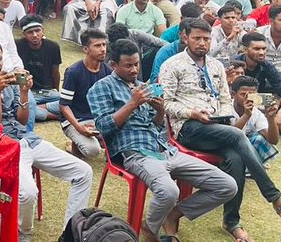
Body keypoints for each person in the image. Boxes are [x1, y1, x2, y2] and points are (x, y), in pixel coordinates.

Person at [158, 18, 281, 239]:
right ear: (184, 37)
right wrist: (193, 113)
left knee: (235, 159)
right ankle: (275, 198)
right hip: (188, 128)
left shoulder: (216, 65)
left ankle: (231, 221)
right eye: (196, 38)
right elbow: (166, 102)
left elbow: (225, 99)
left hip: (217, 126)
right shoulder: (172, 64)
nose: (202, 43)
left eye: (206, 39)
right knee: (237, 136)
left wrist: (222, 115)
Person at [87, 38, 236, 242]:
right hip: (135, 153)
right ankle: (150, 229)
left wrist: (159, 112)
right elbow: (104, 127)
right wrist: (132, 104)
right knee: (168, 190)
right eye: (128, 65)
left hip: (164, 150)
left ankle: (173, 215)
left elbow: (157, 127)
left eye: (137, 64)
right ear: (113, 65)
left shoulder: (144, 86)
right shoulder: (101, 88)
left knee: (227, 185)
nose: (134, 70)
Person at [0, 39, 92, 242]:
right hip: (1, 145)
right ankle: (24, 234)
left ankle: (70, 233)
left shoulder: (9, 83)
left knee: (83, 172)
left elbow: (22, 119)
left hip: (27, 140)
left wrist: (23, 91)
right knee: (28, 193)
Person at [58, 28, 110, 158]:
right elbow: (63, 105)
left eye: (104, 45)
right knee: (92, 151)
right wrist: (78, 127)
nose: (103, 49)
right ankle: (74, 146)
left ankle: (98, 139)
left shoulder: (107, 70)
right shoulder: (73, 72)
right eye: (97, 45)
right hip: (76, 120)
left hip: (97, 119)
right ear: (85, 49)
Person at [233, 31, 281, 132]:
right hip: (236, 104)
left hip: (257, 102)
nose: (262, 52)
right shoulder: (234, 64)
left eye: (264, 49)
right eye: (256, 49)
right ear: (245, 49)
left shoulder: (266, 66)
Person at [16, 17, 63, 122]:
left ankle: (39, 108)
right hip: (28, 92)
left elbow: (55, 72)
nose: (35, 35)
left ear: (43, 31)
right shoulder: (18, 46)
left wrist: (56, 90)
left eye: (37, 31)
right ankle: (55, 115)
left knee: (72, 101)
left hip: (48, 92)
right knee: (18, 107)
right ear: (24, 34)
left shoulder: (53, 47)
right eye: (30, 32)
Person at [229, 75, 281, 165]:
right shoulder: (226, 108)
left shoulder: (256, 112)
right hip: (226, 148)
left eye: (252, 95)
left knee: (258, 139)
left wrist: (271, 118)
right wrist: (246, 115)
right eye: (243, 94)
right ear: (233, 94)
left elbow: (273, 140)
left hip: (242, 147)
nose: (248, 98)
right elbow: (228, 138)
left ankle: (251, 167)